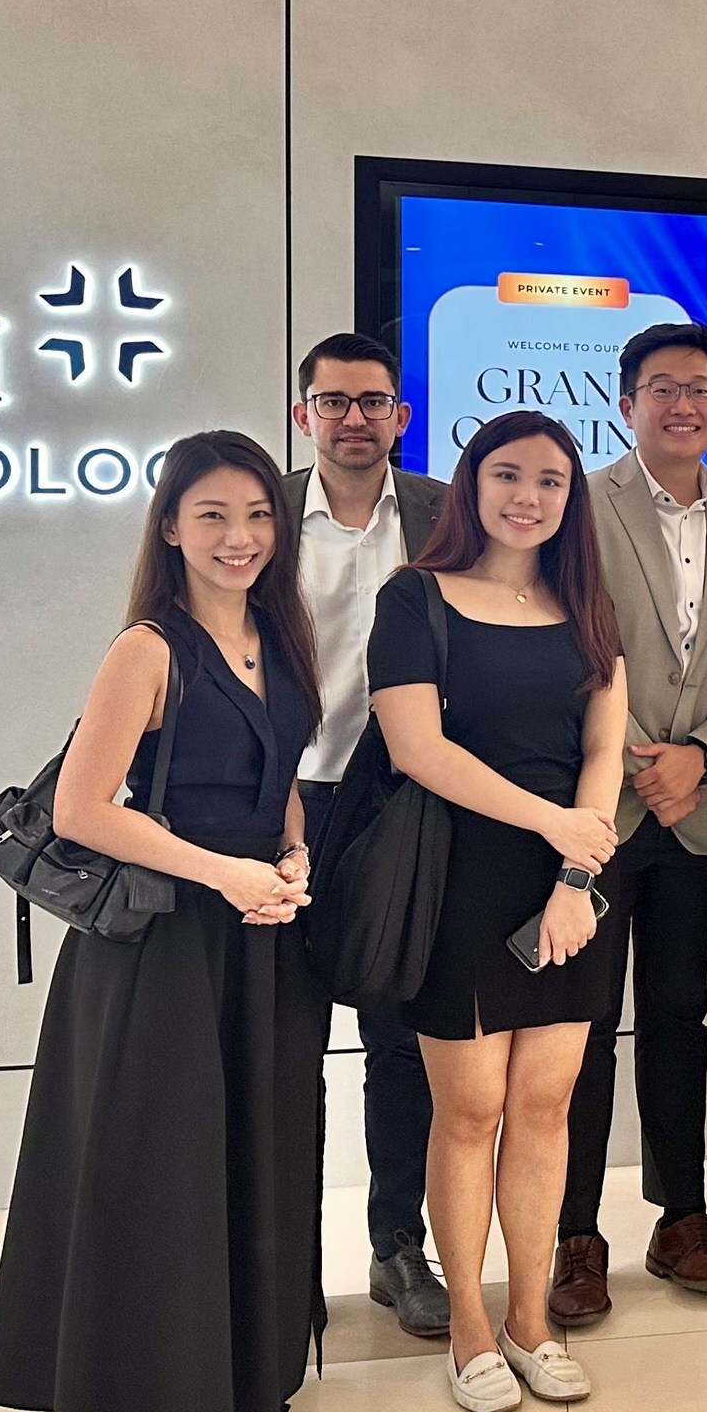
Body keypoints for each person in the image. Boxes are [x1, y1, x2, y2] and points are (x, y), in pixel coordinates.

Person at [0, 431, 325, 1412]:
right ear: (171, 526)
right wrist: (226, 875)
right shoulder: (149, 647)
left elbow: (283, 773)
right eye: (213, 515)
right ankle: (155, 1409)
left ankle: (237, 1383)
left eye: (258, 514)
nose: (239, 537)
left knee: (253, 1161)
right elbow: (86, 810)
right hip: (164, 951)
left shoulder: (280, 633)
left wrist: (295, 852)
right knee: (165, 1177)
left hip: (261, 935)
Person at [368, 410, 626, 1412]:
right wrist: (555, 827)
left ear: (572, 500)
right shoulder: (415, 598)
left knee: (548, 1107)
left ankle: (530, 1322)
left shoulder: (585, 607)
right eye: (507, 475)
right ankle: (469, 1331)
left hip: (567, 891)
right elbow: (416, 749)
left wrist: (575, 875)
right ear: (472, 486)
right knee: (469, 1111)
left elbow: (607, 748)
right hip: (457, 882)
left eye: (551, 481)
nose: (528, 495)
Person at [550, 323, 707, 1326]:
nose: (682, 405)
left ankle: (683, 1216)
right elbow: (562, 640)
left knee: (680, 1019)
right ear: (624, 402)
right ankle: (574, 1234)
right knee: (582, 1030)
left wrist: (706, 757)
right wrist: (645, 753)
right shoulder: (575, 509)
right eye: (661, 389)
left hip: (701, 813)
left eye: (700, 389)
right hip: (599, 811)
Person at [282, 331, 451, 1342]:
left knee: (399, 1044)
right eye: (333, 401)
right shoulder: (260, 515)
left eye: (372, 401)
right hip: (283, 803)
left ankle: (398, 1246)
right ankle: (284, 1266)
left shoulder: (439, 514)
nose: (354, 417)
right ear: (305, 413)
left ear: (401, 415)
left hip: (399, 802)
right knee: (282, 1042)